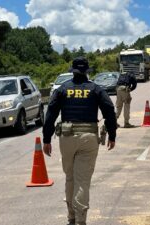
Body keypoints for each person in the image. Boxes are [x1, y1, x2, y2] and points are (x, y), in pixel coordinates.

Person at [42, 56, 117, 225]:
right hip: (88, 139)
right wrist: (112, 135)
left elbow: (50, 115)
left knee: (70, 178)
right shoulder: (96, 89)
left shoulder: (62, 89)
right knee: (82, 181)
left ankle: (71, 218)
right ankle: (81, 220)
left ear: (72, 71)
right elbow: (109, 110)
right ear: (87, 72)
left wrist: (46, 139)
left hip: (67, 138)